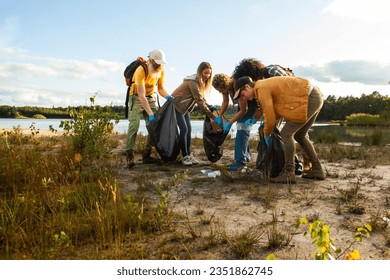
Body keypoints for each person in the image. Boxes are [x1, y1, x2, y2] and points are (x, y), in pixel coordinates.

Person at [233, 76, 325, 184]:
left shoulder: (261, 88)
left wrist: (267, 133)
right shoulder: (263, 85)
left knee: (286, 134)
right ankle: (318, 170)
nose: (245, 98)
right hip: (314, 96)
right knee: (300, 135)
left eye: (243, 94)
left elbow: (270, 116)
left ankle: (289, 172)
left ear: (247, 87)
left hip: (309, 98)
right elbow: (276, 110)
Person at [125, 49, 173, 168]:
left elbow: (160, 88)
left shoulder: (161, 70)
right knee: (134, 125)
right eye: (156, 62)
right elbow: (141, 95)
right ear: (150, 60)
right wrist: (150, 113)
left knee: (155, 126)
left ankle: (147, 155)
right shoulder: (140, 70)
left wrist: (167, 96)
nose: (158, 65)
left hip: (151, 97)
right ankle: (129, 156)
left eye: (160, 63)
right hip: (136, 97)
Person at [212, 73, 261, 170]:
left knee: (242, 128)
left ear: (226, 86)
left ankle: (240, 161)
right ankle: (245, 156)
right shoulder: (226, 88)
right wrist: (219, 115)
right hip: (243, 105)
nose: (220, 92)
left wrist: (230, 122)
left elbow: (244, 110)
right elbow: (225, 102)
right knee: (241, 128)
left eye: (220, 90)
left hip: (251, 104)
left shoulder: (238, 86)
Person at [172, 62, 217, 166]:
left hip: (185, 109)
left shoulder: (200, 82)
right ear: (200, 71)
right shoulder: (193, 82)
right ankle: (185, 157)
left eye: (209, 74)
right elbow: (199, 101)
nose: (208, 76)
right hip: (176, 106)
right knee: (184, 129)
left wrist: (210, 106)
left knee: (189, 130)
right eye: (205, 73)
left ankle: (188, 155)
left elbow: (201, 98)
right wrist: (212, 116)